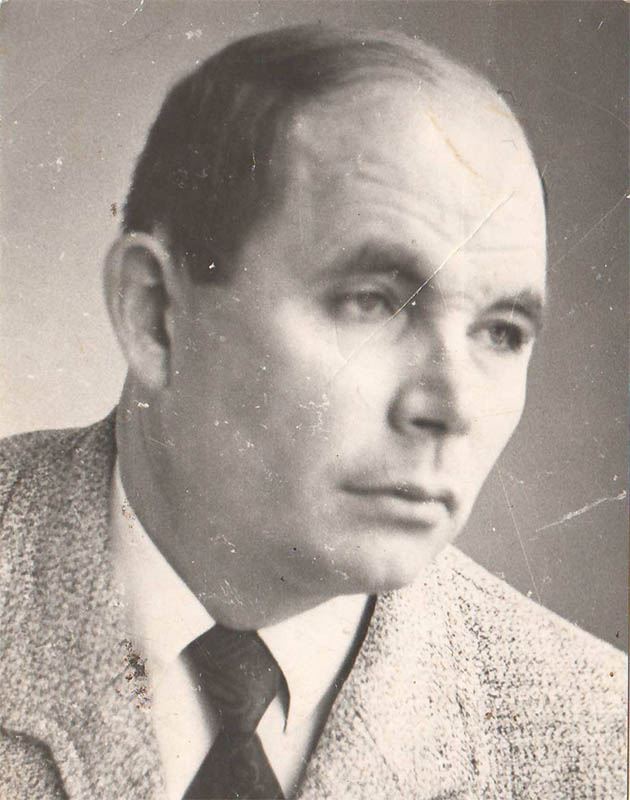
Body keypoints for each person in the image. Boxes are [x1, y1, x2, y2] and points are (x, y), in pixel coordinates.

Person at [0, 25, 625, 800]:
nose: (454, 406)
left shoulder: (599, 743)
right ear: (155, 314)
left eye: (502, 333)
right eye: (372, 302)